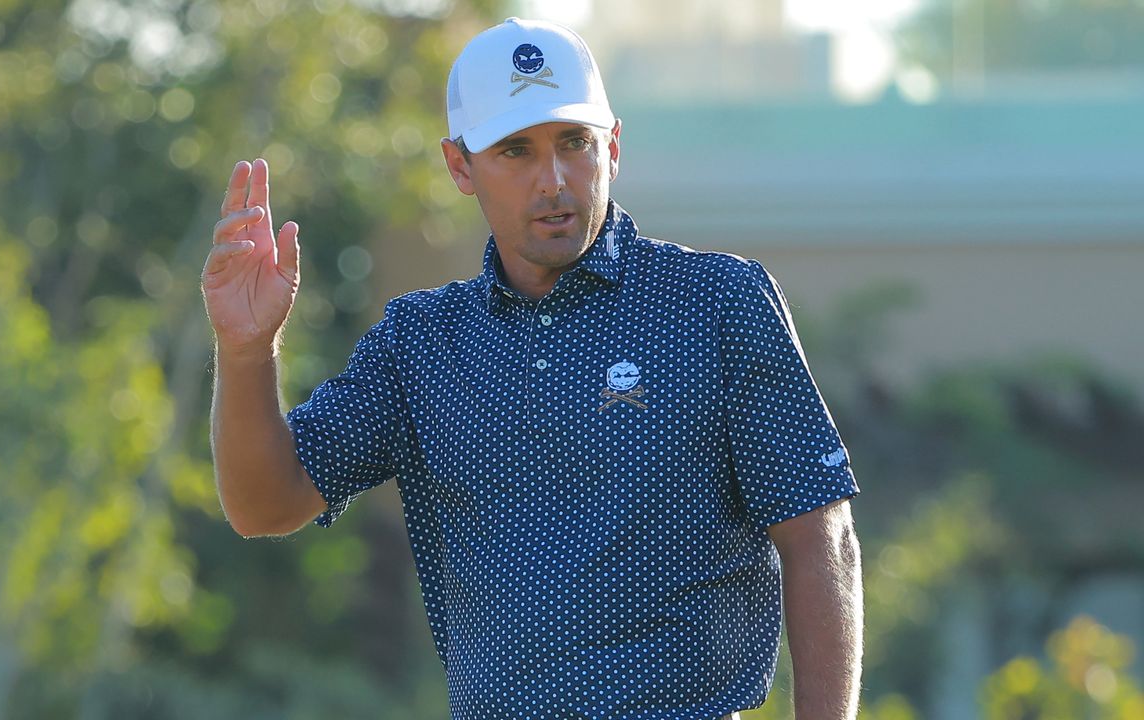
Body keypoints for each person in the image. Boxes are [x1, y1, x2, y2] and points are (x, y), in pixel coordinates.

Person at [203, 17, 862, 720]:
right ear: (460, 166)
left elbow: (821, 536)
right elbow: (265, 504)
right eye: (515, 151)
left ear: (612, 146)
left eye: (573, 143)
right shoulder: (420, 342)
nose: (553, 180)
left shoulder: (716, 303)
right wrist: (246, 352)